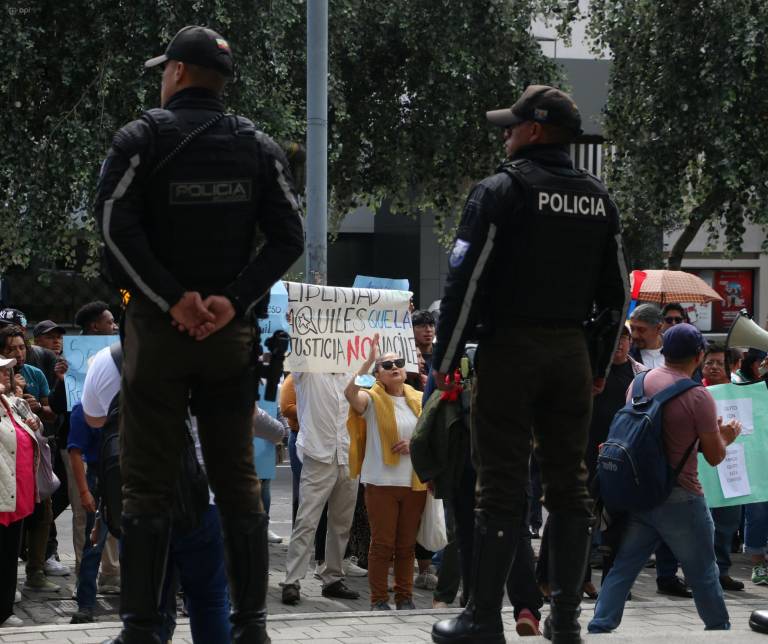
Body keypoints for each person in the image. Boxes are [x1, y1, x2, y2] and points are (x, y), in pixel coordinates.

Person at [94, 25, 304, 644]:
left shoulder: (140, 138)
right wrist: (232, 300)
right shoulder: (258, 146)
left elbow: (112, 227)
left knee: (147, 483)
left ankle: (141, 627)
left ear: (178, 72)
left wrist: (170, 299)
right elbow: (289, 238)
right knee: (237, 479)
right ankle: (251, 626)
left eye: (165, 69)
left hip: (157, 335)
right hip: (228, 337)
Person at [429, 85, 629, 643]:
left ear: (535, 131)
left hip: (510, 351)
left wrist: (445, 359)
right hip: (570, 355)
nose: (506, 135)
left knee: (500, 486)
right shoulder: (599, 199)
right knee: (570, 487)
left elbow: (465, 281)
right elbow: (617, 295)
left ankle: (481, 619)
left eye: (511, 126)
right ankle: (564, 621)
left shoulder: (501, 190)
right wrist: (596, 365)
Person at [588, 324, 739, 634]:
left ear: (665, 351)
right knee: (703, 570)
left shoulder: (639, 382)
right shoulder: (698, 397)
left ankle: (600, 624)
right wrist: (725, 436)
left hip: (641, 491)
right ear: (699, 356)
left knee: (624, 566)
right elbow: (714, 457)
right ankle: (719, 628)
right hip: (681, 496)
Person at [346, 336, 427, 610]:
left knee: (406, 546)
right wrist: (368, 362)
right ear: (377, 374)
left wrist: (414, 445)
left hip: (414, 483)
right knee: (382, 545)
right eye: (387, 365)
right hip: (381, 483)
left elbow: (431, 437)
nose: (394, 367)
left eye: (399, 363)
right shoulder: (371, 398)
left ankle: (405, 598)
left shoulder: (420, 399)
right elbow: (350, 394)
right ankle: (379, 600)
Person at [280, 371, 361, 605]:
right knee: (307, 520)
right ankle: (292, 580)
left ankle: (332, 578)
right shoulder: (309, 373)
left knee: (341, 522)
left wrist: (369, 361)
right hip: (318, 455)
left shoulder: (353, 371)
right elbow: (297, 357)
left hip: (347, 453)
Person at [700, 344, 744, 591]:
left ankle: (722, 571)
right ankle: (702, 572)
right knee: (701, 523)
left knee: (728, 522)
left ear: (731, 367)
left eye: (720, 363)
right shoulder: (695, 392)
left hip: (734, 468)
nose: (714, 367)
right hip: (701, 468)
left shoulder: (742, 392)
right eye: (710, 362)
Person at [0, 356, 40, 628]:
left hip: (16, 492)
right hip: (5, 493)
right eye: (1, 371)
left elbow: (33, 423)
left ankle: (4, 607)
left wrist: (34, 422)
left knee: (8, 553)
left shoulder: (12, 401)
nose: (7, 374)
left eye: (8, 370)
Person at [629, 304, 665, 368]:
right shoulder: (627, 353)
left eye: (641, 330)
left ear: (658, 328)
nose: (634, 335)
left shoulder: (675, 350)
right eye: (632, 328)